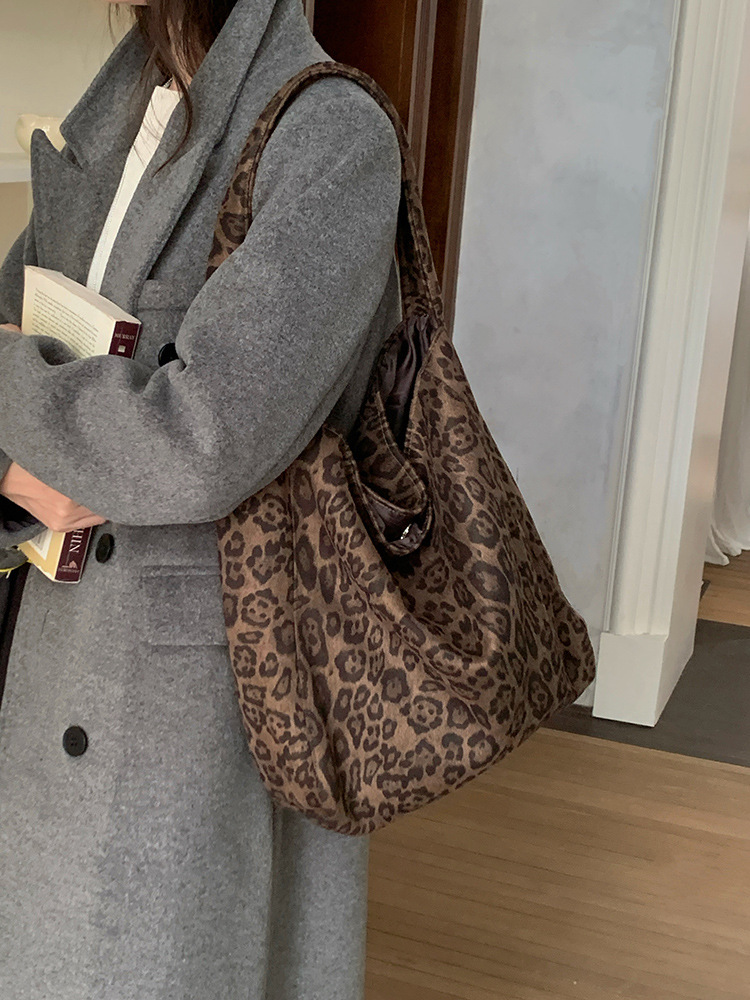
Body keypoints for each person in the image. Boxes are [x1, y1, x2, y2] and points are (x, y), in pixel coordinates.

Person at [0, 0, 402, 996]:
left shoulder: (332, 134)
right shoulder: (119, 120)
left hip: (198, 709)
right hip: (48, 651)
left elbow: (202, 440)